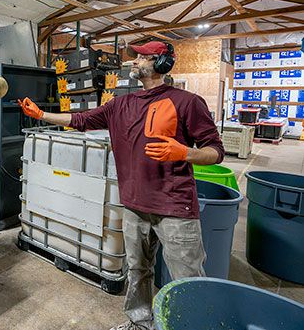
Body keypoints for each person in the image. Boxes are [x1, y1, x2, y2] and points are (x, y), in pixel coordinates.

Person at [19, 41, 224, 330]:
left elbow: (215, 150)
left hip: (175, 207)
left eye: (142, 57)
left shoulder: (187, 102)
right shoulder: (120, 105)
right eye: (135, 57)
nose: (134, 61)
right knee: (138, 271)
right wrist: (41, 115)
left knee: (187, 279)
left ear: (162, 62)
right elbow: (79, 119)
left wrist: (184, 152)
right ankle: (140, 323)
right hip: (134, 205)